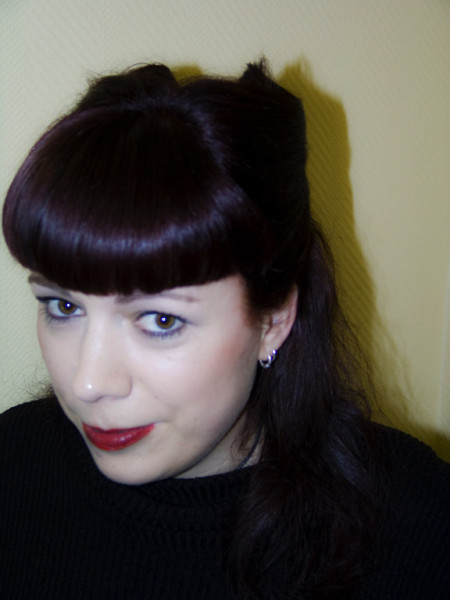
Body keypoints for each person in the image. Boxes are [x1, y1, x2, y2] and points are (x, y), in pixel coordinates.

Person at [0, 61, 449, 600]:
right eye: (62, 306)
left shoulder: (420, 527)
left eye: (161, 320)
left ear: (273, 320)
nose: (87, 383)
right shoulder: (12, 465)